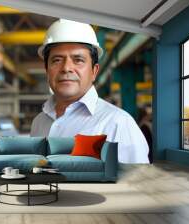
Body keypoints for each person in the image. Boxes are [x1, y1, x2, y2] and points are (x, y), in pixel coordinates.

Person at [30, 19, 149, 163]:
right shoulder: (39, 123)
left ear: (94, 71)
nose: (66, 68)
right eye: (57, 60)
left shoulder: (118, 124)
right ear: (47, 70)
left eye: (78, 60)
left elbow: (135, 183)